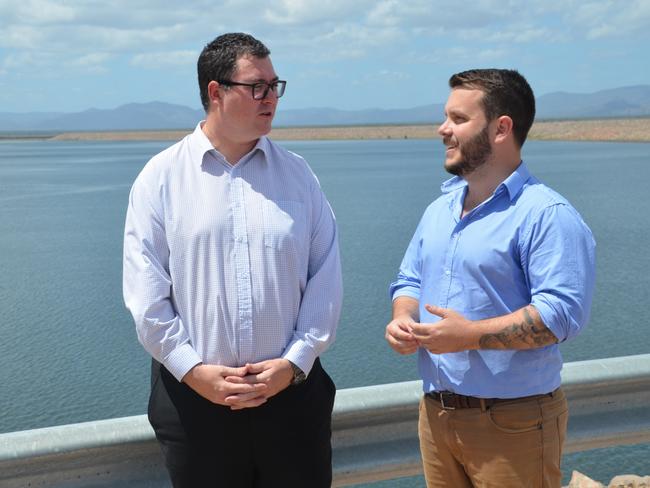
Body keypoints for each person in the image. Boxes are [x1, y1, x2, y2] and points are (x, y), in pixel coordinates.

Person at [123, 32, 342, 488]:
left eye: (274, 86)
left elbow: (326, 280)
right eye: (256, 86)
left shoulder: (299, 175)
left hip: (293, 404)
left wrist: (294, 363)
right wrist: (195, 372)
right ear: (215, 92)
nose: (270, 98)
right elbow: (146, 297)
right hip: (195, 409)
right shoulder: (160, 179)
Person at [385, 69, 596, 488]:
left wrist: (469, 336)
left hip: (512, 422)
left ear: (501, 129)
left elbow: (561, 316)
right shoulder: (438, 210)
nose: (442, 130)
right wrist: (402, 318)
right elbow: (408, 279)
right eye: (446, 117)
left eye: (458, 119)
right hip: (436, 414)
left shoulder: (546, 215)